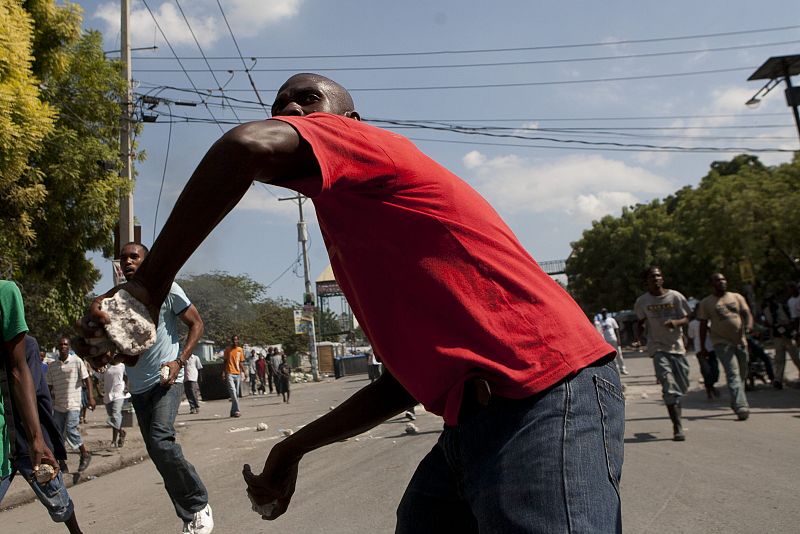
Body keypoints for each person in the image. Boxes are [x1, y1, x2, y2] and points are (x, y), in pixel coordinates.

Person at [79, 73, 623, 532]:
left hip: (545, 391)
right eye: (280, 106)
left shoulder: (372, 147)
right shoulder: (355, 233)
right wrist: (290, 450)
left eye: (307, 99)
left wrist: (147, 287)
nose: (290, 109)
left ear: (351, 122)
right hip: (473, 421)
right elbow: (408, 380)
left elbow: (244, 146)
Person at [116, 242, 213, 534]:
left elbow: (196, 324)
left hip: (166, 381)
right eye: (124, 258)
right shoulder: (119, 299)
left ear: (147, 262)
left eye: (135, 257)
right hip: (138, 387)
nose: (129, 262)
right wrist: (110, 356)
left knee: (161, 441)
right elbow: (129, 349)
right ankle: (189, 517)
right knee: (158, 453)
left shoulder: (168, 289)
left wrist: (179, 362)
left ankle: (198, 504)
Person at [0, 282, 72, 531]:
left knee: (58, 501)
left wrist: (39, 437)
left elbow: (37, 393)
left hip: (23, 435)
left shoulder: (28, 347)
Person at [634, 266, 691, 441]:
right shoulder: (642, 301)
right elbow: (639, 322)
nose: (656, 279)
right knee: (668, 384)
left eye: (658, 276)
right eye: (652, 277)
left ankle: (675, 406)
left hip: (677, 346)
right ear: (647, 282)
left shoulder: (675, 296)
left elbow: (687, 317)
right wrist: (640, 339)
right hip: (657, 347)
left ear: (662, 279)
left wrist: (676, 322)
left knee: (682, 386)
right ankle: (677, 427)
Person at [697, 273, 751, 421]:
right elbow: (702, 325)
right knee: (733, 373)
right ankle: (741, 405)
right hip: (721, 342)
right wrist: (702, 347)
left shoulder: (736, 297)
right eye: (717, 280)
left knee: (742, 373)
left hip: (740, 341)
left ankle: (737, 401)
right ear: (711, 284)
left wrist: (749, 327)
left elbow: (747, 313)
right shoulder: (706, 303)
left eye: (723, 279)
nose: (721, 282)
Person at [46, 337, 94, 472]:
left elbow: (87, 379)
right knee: (57, 434)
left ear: (69, 347)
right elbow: (49, 387)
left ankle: (84, 454)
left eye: (65, 344)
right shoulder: (53, 366)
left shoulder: (76, 361)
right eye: (60, 344)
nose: (63, 347)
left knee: (71, 429)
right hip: (59, 405)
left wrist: (91, 397)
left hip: (74, 403)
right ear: (58, 347)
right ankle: (62, 463)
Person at [762, 291, 800, 388]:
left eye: (771, 299)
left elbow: (792, 319)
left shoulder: (782, 307)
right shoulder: (766, 311)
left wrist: (791, 331)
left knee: (796, 357)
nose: (770, 302)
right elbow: (767, 323)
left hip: (787, 335)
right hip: (777, 337)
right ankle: (778, 379)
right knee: (779, 359)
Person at [687, 308, 720, 399]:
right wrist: (687, 348)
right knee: (706, 371)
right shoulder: (692, 324)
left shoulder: (710, 322)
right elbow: (691, 336)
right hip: (700, 350)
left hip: (711, 348)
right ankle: (709, 390)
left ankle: (711, 385)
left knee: (715, 370)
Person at [102, 360, 127, 448]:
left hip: (119, 393)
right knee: (112, 418)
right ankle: (121, 432)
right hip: (108, 394)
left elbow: (127, 377)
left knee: (115, 415)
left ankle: (114, 441)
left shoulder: (122, 365)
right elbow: (97, 378)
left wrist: (127, 387)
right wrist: (98, 391)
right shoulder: (105, 366)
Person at [599, 308, 628, 375]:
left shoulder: (611, 320)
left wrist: (618, 339)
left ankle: (623, 369)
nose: (604, 313)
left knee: (619, 354)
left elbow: (616, 330)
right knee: (612, 357)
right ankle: (616, 370)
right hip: (606, 341)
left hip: (614, 339)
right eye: (603, 312)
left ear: (607, 313)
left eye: (605, 312)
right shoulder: (600, 322)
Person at [223, 335, 244, 417]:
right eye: (233, 340)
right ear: (231, 341)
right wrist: (223, 372)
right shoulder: (227, 350)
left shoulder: (240, 350)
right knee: (233, 392)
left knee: (237, 394)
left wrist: (244, 371)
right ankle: (237, 411)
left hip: (237, 373)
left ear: (238, 341)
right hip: (230, 373)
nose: (235, 341)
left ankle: (232, 411)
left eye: (236, 340)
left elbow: (241, 362)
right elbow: (224, 362)